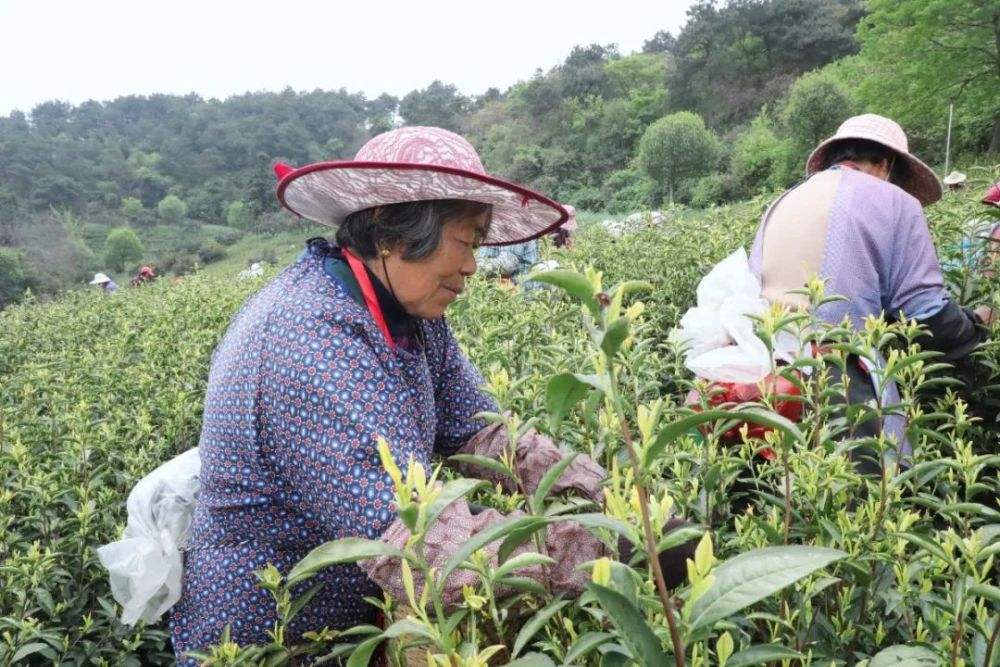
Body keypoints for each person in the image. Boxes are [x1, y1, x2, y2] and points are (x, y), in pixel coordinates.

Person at [167, 126, 605, 663]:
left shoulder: (411, 314)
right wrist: (602, 552)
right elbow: (422, 546)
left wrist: (605, 497)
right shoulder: (307, 337)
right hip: (267, 637)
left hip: (352, 626)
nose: (472, 265)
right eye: (465, 240)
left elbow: (480, 430)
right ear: (391, 234)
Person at [748, 114, 993, 465]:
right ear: (885, 164)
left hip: (765, 376)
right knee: (867, 500)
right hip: (842, 380)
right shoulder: (896, 203)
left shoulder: (784, 201)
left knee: (784, 498)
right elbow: (925, 313)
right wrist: (977, 325)